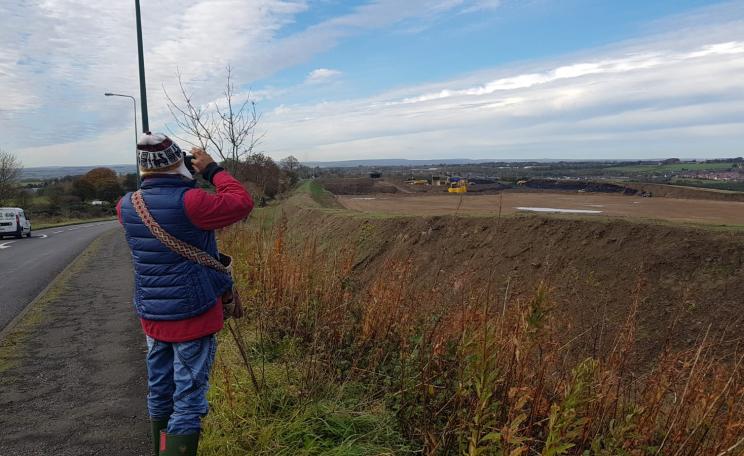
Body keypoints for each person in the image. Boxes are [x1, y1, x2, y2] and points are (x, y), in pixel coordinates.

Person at [117, 132, 253, 455]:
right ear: (177, 163)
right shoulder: (191, 203)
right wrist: (211, 169)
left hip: (152, 317)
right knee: (188, 401)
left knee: (160, 391)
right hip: (193, 316)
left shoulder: (126, 206)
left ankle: (159, 448)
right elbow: (242, 202)